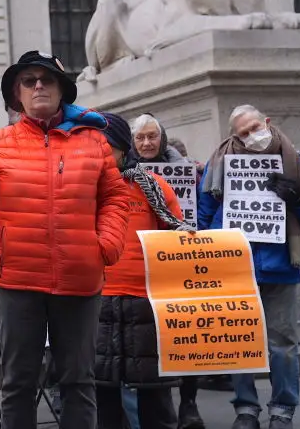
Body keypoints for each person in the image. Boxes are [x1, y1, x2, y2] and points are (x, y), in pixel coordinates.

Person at [0, 50, 131, 429]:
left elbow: (115, 197)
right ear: (18, 94)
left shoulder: (94, 141)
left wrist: (107, 245)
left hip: (80, 279)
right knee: (18, 384)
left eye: (46, 79)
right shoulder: (0, 142)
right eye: (29, 81)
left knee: (79, 381)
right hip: (19, 280)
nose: (38, 86)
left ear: (61, 90)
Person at [198, 105, 300, 429]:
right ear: (234, 137)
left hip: (279, 267)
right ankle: (245, 409)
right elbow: (203, 214)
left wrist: (297, 200)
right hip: (235, 265)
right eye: (243, 134)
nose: (251, 137)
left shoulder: (296, 161)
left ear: (267, 122)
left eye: (254, 128)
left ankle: (283, 410)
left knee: (283, 345)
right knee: (238, 342)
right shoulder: (219, 163)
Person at [93, 112, 190, 429]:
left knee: (155, 399)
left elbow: (177, 233)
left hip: (146, 303)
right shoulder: (80, 190)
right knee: (103, 398)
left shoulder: (154, 187)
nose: (101, 153)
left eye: (108, 146)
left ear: (123, 149)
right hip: (97, 301)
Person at [127, 114, 204, 429]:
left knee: (183, 339)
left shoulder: (184, 168)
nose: (146, 143)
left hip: (177, 262)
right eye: (140, 138)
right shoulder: (126, 174)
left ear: (162, 138)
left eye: (152, 137)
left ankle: (188, 404)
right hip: (138, 267)